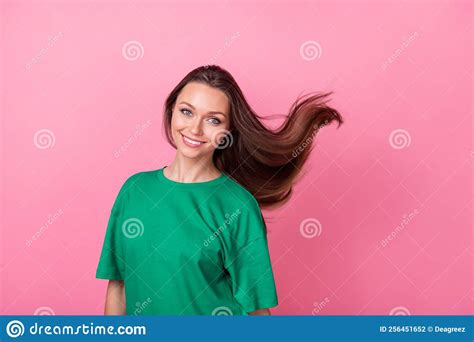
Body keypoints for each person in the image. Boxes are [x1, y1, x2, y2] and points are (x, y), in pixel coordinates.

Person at [95, 65, 343, 315]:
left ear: (228, 132)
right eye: (186, 112)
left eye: (213, 120)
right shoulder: (134, 191)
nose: (195, 129)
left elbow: (257, 313)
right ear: (171, 111)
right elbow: (118, 285)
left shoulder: (238, 206)